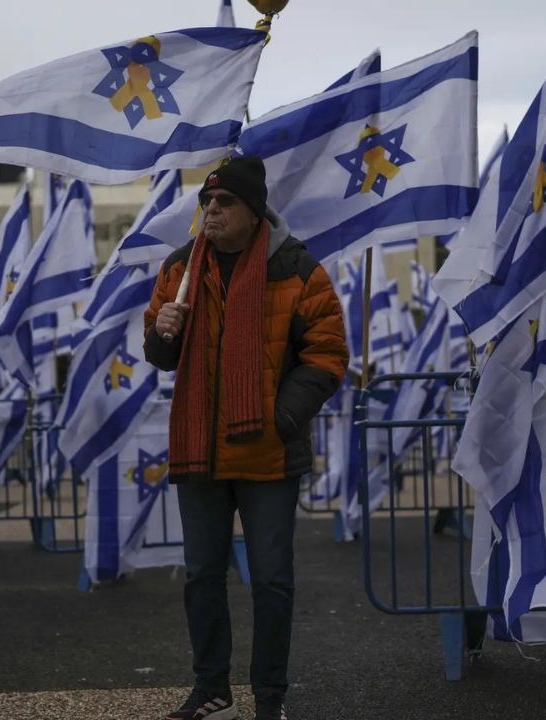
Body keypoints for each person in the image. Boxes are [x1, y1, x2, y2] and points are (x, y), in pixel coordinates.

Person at [144, 156, 348, 720]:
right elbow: (160, 353)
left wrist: (280, 417)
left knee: (272, 582)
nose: (211, 211)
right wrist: (163, 332)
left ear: (253, 211)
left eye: (224, 202)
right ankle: (211, 689)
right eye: (206, 203)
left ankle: (269, 699)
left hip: (267, 452)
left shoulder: (298, 268)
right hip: (200, 450)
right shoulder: (180, 267)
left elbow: (328, 355)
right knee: (202, 576)